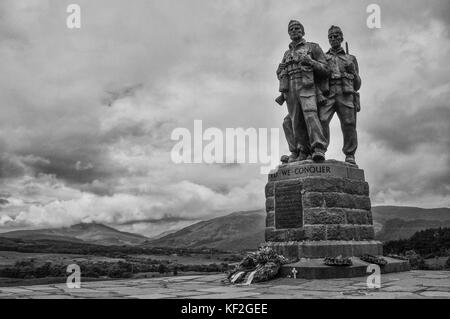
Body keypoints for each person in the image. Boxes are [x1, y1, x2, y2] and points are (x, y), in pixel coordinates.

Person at [276, 20, 329, 163]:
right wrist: (279, 71)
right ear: (289, 33)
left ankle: (318, 148)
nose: (294, 30)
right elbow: (281, 72)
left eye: (297, 28)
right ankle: (301, 150)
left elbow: (326, 70)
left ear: (303, 31)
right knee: (295, 120)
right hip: (290, 88)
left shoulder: (313, 47)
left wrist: (310, 61)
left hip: (307, 85)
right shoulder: (287, 53)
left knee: (311, 115)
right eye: (291, 29)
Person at [320, 25, 361, 165]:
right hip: (329, 92)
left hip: (346, 93)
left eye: (336, 36)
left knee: (349, 124)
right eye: (330, 37)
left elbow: (358, 84)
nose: (333, 39)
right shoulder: (323, 57)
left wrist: (353, 71)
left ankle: (350, 154)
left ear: (341, 38)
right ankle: (320, 150)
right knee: (322, 120)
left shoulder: (351, 58)